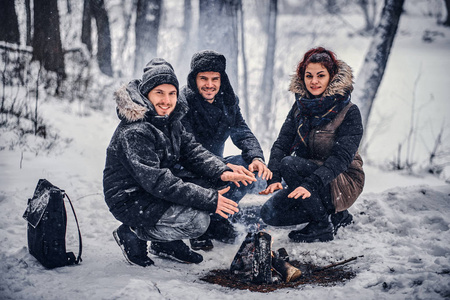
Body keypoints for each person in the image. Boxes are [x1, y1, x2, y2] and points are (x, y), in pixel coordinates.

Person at [103, 58, 256, 267]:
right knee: (197, 221)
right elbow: (158, 182)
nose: (167, 100)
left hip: (152, 190)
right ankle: (132, 232)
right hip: (131, 198)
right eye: (159, 93)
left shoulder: (169, 120)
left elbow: (192, 151)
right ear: (146, 94)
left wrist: (222, 171)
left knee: (220, 184)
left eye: (172, 93)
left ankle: (165, 244)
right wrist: (208, 199)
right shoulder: (135, 132)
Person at [259, 47, 365, 243]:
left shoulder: (349, 111)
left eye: (320, 75)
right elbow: (282, 142)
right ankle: (336, 215)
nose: (314, 81)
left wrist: (310, 184)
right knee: (270, 214)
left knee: (289, 164)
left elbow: (341, 159)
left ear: (331, 77)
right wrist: (273, 177)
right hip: (308, 177)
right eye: (309, 76)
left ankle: (322, 226)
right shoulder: (300, 107)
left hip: (343, 179)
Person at [179, 50, 272, 251]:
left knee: (249, 169)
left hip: (218, 164)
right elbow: (188, 149)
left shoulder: (228, 101)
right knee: (215, 177)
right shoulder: (182, 103)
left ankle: (218, 218)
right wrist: (224, 167)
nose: (209, 84)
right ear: (194, 79)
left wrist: (256, 156)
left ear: (222, 79)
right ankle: (200, 226)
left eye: (215, 78)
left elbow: (242, 131)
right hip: (187, 167)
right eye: (203, 78)